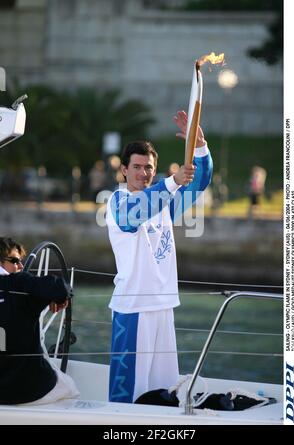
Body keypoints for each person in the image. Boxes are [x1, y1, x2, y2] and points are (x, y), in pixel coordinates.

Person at [105, 110, 213, 403]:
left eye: (149, 167)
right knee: (127, 395)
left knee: (164, 393)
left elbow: (199, 183)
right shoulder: (117, 202)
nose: (144, 173)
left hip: (163, 304)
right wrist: (172, 181)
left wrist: (200, 146)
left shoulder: (164, 202)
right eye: (137, 167)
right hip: (133, 308)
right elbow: (134, 215)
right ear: (124, 170)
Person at [0, 237, 79, 405]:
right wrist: (55, 297)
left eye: (21, 262)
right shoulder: (19, 284)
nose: (21, 267)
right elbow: (60, 287)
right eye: (15, 261)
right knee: (70, 389)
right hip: (28, 390)